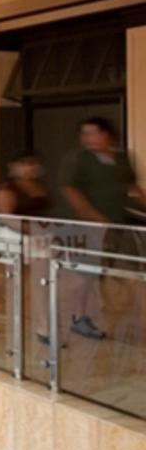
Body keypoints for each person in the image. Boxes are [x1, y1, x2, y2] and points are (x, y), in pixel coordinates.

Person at [58, 116, 144, 339]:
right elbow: (71, 191)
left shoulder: (121, 158)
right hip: (90, 227)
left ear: (106, 134)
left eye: (92, 133)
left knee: (130, 272)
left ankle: (135, 319)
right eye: (84, 134)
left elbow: (132, 187)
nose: (87, 138)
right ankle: (79, 317)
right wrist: (95, 219)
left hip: (120, 224)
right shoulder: (78, 159)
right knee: (85, 275)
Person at [0, 153, 50, 335]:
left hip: (37, 238)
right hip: (11, 237)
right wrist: (34, 230)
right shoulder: (7, 188)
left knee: (41, 281)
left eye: (33, 164)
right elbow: (7, 217)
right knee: (5, 279)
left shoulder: (39, 186)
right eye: (24, 164)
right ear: (13, 167)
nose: (29, 168)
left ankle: (44, 326)